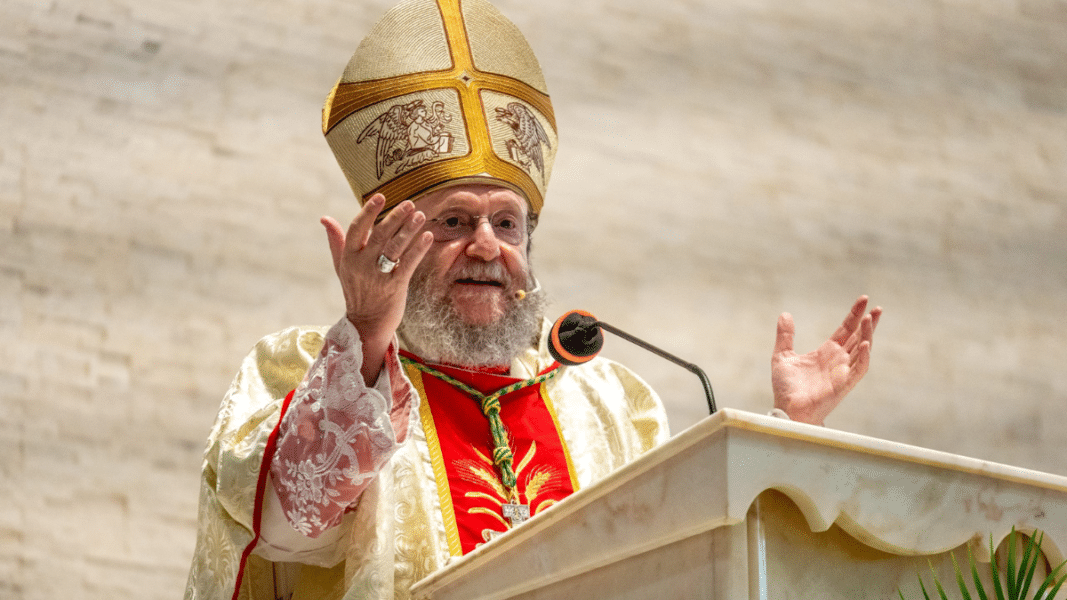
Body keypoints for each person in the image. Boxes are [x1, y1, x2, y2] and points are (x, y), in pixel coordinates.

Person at [184, 0, 881, 598]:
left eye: (507, 223)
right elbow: (287, 525)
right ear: (396, 243)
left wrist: (788, 430)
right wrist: (366, 330)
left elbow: (689, 552)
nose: (487, 246)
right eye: (454, 221)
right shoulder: (309, 370)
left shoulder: (607, 400)